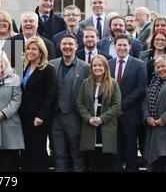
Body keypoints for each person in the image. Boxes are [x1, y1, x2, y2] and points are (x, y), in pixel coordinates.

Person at [49, 34, 90, 172]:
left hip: (75, 118)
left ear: (76, 47)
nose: (67, 47)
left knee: (77, 155)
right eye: (64, 44)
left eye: (70, 44)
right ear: (60, 46)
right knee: (58, 154)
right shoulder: (51, 65)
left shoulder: (85, 67)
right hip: (55, 118)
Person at [108, 33, 147, 172]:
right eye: (119, 45)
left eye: (125, 45)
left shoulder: (139, 64)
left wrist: (121, 105)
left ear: (130, 46)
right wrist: (113, 108)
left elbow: (141, 89)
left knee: (131, 153)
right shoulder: (109, 64)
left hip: (130, 115)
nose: (122, 48)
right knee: (115, 153)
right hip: (112, 117)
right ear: (115, 46)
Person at [77, 55, 121, 172]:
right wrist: (88, 118)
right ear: (91, 68)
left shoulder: (113, 83)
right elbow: (80, 103)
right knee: (93, 161)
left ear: (105, 67)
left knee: (106, 162)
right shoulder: (86, 83)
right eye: (95, 65)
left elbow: (116, 105)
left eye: (100, 65)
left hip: (106, 125)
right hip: (90, 126)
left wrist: (102, 119)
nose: (97, 68)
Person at [19, 37, 56, 171]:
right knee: (26, 150)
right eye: (28, 48)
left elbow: (50, 95)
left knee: (38, 151)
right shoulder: (25, 67)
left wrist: (41, 116)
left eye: (34, 48)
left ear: (41, 52)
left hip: (38, 119)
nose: (30, 51)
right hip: (24, 117)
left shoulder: (48, 69)